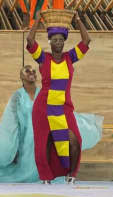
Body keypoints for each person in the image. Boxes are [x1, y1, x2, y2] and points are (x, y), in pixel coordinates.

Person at [0, 64, 103, 182]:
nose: (31, 73)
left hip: (46, 135)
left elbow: (57, 109)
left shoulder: (44, 93)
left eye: (34, 71)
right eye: (27, 71)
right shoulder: (17, 97)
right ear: (21, 77)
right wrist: (12, 148)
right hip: (27, 144)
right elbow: (11, 124)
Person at [26, 11, 92, 184]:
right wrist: (37, 21)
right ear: (50, 42)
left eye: (61, 40)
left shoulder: (70, 57)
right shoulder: (43, 58)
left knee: (74, 139)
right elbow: (30, 41)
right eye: (55, 40)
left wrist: (78, 20)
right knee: (45, 142)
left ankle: (71, 174)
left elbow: (86, 42)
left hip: (64, 107)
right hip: (44, 106)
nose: (59, 43)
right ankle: (46, 178)